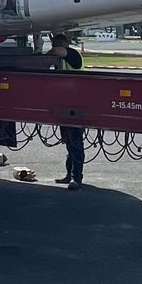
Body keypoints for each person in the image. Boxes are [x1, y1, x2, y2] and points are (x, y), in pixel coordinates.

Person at [50, 30, 86, 186]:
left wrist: (47, 52)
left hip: (76, 104)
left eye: (56, 45)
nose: (54, 48)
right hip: (66, 104)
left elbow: (57, 51)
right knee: (69, 142)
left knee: (75, 142)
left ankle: (76, 178)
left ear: (65, 45)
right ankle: (69, 174)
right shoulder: (62, 58)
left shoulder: (73, 55)